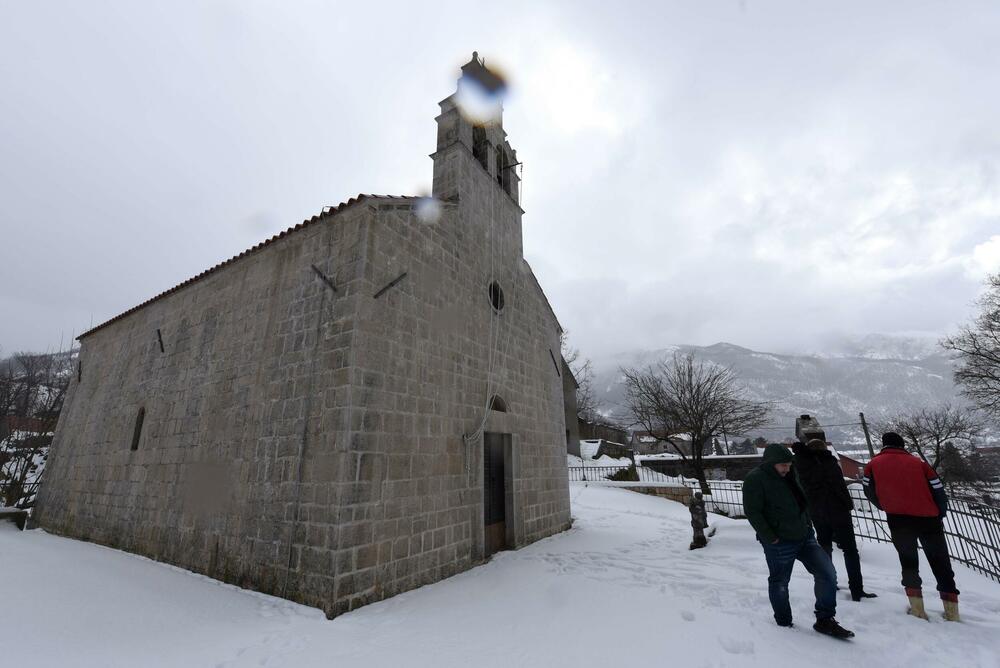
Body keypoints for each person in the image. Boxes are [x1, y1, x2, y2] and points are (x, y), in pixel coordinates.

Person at [743, 444, 854, 638]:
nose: (786, 468)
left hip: (804, 536)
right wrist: (771, 537)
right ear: (771, 464)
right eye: (782, 465)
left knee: (827, 574)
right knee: (780, 582)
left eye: (788, 464)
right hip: (779, 542)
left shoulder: (791, 474)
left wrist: (807, 525)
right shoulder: (755, 479)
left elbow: (801, 501)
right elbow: (753, 512)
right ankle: (784, 622)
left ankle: (825, 619)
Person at [863, 432, 960, 621]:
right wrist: (940, 513)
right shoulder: (919, 464)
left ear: (884, 446)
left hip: (898, 520)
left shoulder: (872, 465)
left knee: (908, 563)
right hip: (928, 520)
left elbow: (868, 490)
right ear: (902, 445)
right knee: (941, 563)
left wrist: (884, 505)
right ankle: (952, 613)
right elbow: (938, 491)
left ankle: (917, 610)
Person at [792, 439, 876, 602]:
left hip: (817, 511)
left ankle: (829, 582)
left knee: (824, 548)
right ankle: (856, 589)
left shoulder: (801, 466)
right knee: (850, 550)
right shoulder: (828, 462)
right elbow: (839, 487)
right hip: (838, 511)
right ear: (824, 449)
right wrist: (847, 504)